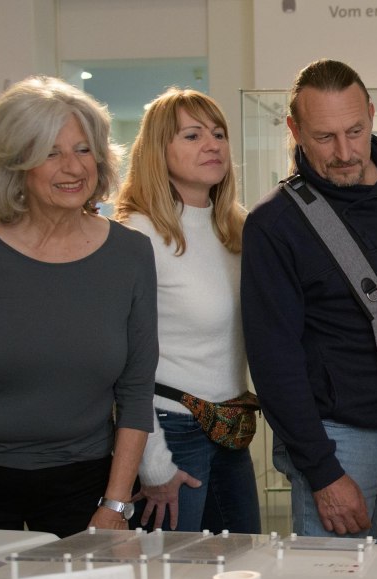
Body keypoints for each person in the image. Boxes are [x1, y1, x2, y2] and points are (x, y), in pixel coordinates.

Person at [0, 76, 157, 536]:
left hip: (86, 482)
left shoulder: (130, 254)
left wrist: (115, 505)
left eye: (82, 149)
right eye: (50, 152)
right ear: (16, 164)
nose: (73, 167)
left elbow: (135, 393)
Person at [241, 59, 377, 543]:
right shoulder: (274, 225)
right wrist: (324, 473)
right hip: (339, 444)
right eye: (324, 137)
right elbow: (274, 363)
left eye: (356, 130)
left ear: (372, 114)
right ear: (294, 130)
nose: (346, 152)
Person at [116, 88, 259, 533]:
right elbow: (122, 360)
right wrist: (152, 462)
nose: (213, 144)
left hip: (231, 428)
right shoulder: (136, 235)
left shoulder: (237, 231)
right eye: (193, 135)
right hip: (170, 431)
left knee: (241, 565)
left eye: (218, 133)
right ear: (160, 150)